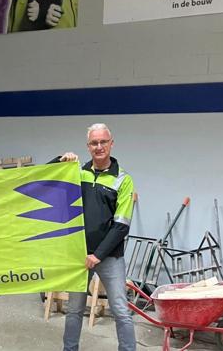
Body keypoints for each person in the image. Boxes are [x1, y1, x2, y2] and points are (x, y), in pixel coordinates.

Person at [57, 123, 136, 351]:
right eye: (94, 143)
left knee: (120, 310)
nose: (99, 146)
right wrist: (60, 161)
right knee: (74, 310)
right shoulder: (77, 173)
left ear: (111, 144)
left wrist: (98, 255)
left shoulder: (123, 180)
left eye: (103, 142)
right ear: (88, 146)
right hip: (79, 255)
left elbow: (121, 226)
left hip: (109, 256)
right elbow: (50, 181)